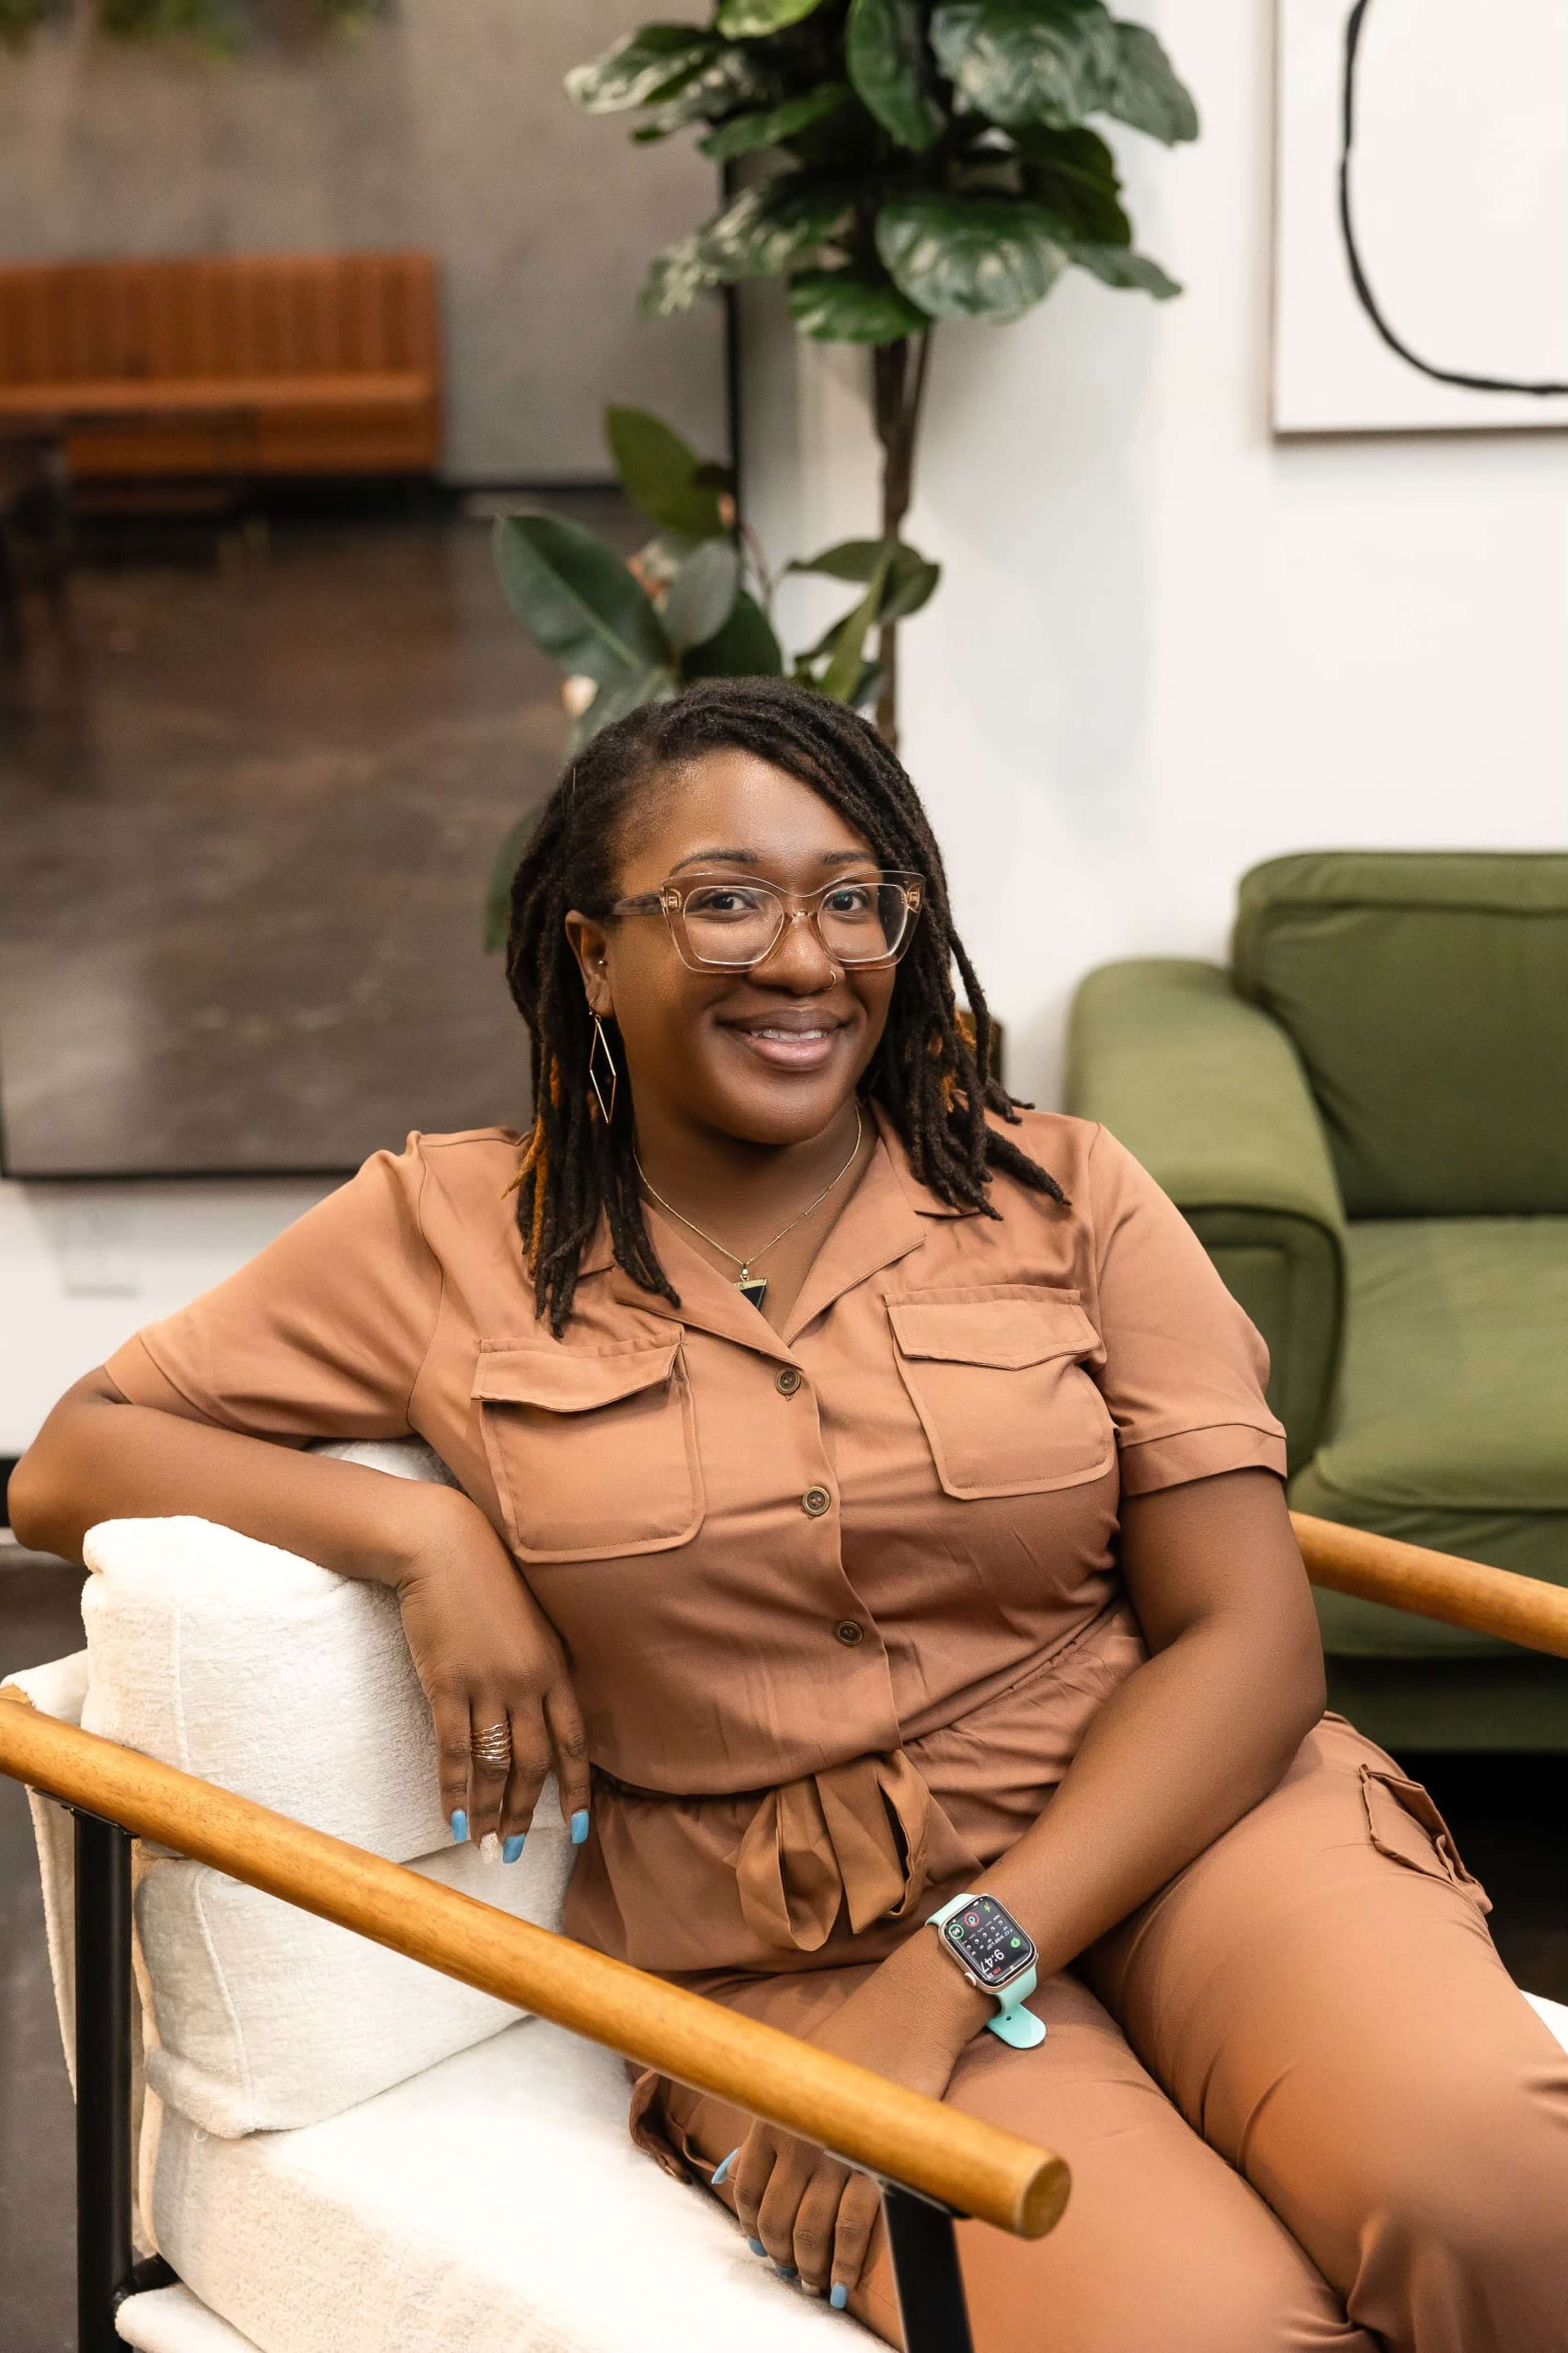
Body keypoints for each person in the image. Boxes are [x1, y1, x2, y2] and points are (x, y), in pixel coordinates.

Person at [14, 679, 1565, 2353]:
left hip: (1195, 1828)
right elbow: (72, 1455)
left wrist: (954, 1971)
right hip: (791, 1938)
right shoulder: (447, 1233)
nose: (808, 959)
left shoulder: (1067, 1192)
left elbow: (1251, 1640)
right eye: (727, 901)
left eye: (855, 898)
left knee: (1506, 2200)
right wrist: (423, 1539)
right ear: (596, 955)